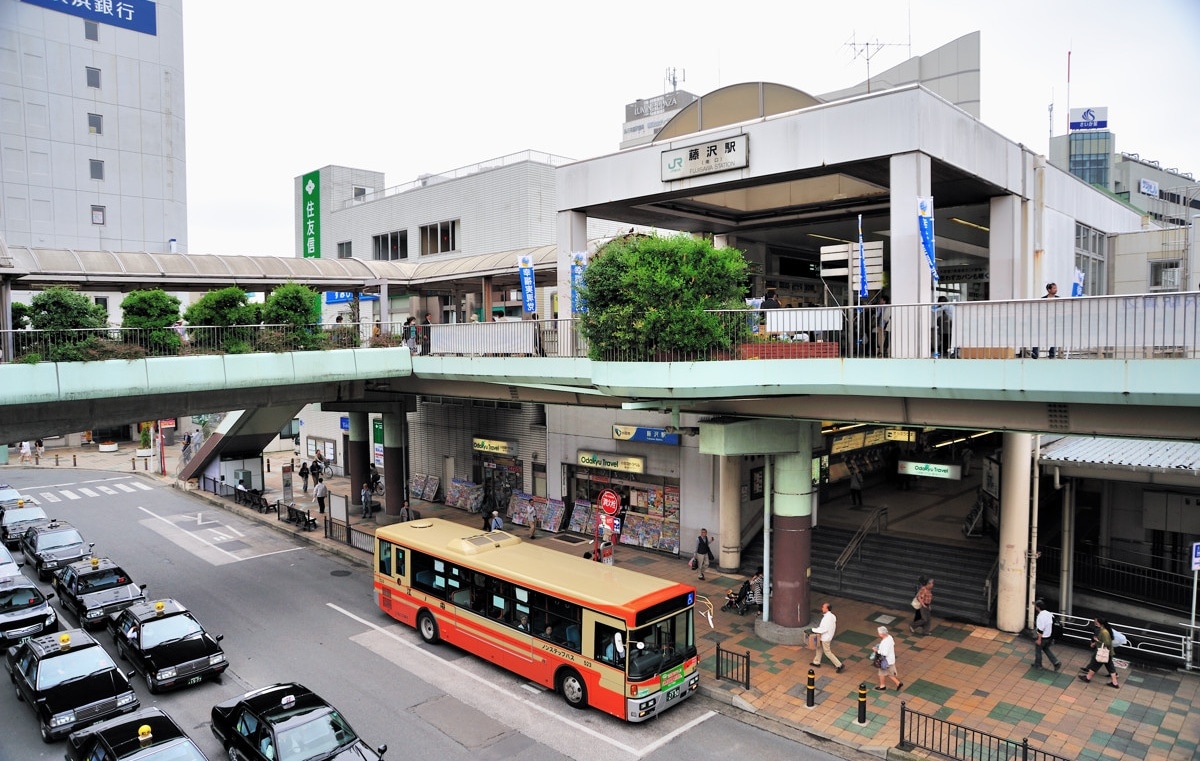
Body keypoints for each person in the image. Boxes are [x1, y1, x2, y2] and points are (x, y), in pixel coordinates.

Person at [1079, 617, 1120, 688]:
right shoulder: (1105, 630)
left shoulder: (1104, 632)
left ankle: (1087, 678)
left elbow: (1106, 643)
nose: (1096, 623)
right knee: (1110, 667)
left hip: (1104, 652)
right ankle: (1115, 683)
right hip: (1108, 652)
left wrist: (1097, 641)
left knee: (1095, 664)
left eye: (1097, 622)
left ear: (1101, 624)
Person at [808, 601, 845, 672]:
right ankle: (816, 662)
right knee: (818, 648)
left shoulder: (826, 619)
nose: (822, 608)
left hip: (825, 638)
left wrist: (812, 629)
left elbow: (823, 629)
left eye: (823, 607)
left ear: (827, 609)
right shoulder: (832, 616)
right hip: (827, 636)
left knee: (827, 652)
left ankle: (839, 665)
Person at [1033, 599, 1062, 671]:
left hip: (1043, 637)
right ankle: (1056, 662)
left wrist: (1039, 639)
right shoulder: (1049, 614)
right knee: (1046, 648)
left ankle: (1038, 665)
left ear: (1038, 607)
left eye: (1036, 606)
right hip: (1050, 636)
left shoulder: (1040, 617)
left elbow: (1040, 630)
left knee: (1038, 650)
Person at [872, 626, 903, 691]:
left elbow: (884, 653)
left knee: (881, 673)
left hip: (885, 661)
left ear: (881, 634)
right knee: (888, 673)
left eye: (879, 633)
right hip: (890, 660)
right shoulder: (889, 637)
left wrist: (877, 650)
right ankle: (898, 683)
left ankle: (882, 686)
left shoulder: (885, 642)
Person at [1034, 282, 1059, 359]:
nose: (1056, 289)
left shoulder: (1059, 299)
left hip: (1054, 321)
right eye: (1054, 288)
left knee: (1054, 337)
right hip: (1044, 321)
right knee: (1038, 336)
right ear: (1049, 290)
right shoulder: (1043, 299)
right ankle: (1035, 353)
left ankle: (1052, 354)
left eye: (1056, 288)